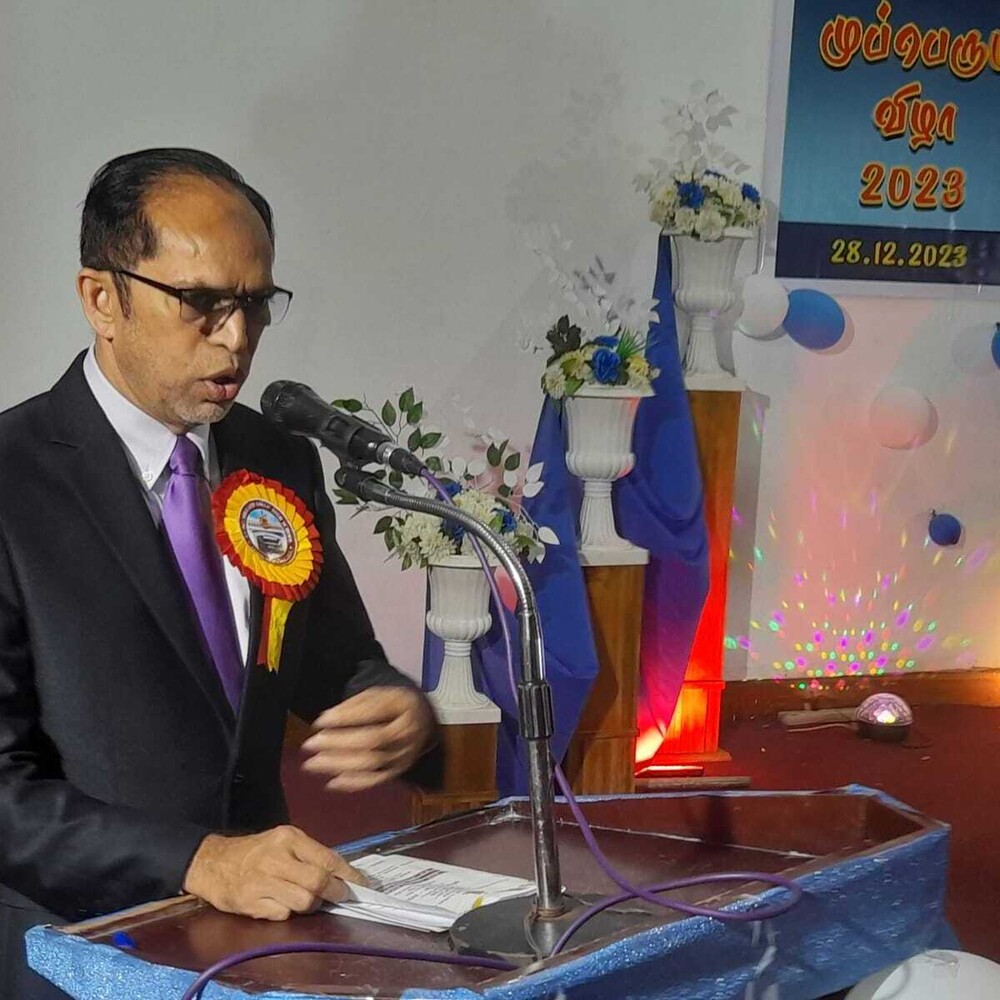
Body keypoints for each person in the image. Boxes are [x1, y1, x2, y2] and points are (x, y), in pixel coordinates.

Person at [0, 148, 438, 999]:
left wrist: (393, 707)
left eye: (256, 304)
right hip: (78, 956)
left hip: (259, 950)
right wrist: (197, 860)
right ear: (101, 298)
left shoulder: (277, 459)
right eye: (201, 304)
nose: (237, 338)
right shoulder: (13, 481)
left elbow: (335, 662)